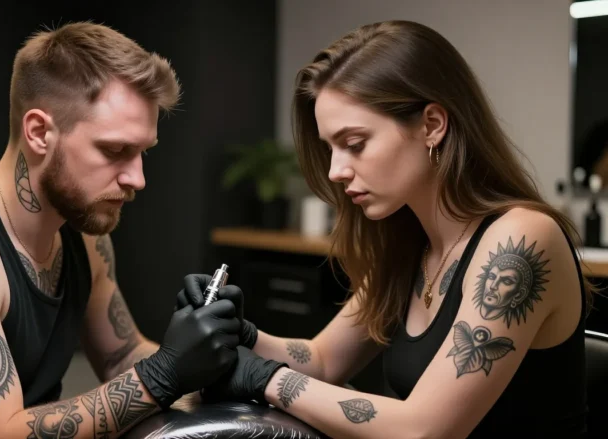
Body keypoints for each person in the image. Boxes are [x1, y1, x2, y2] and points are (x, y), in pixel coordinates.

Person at [179, 20, 593, 438]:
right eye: (330, 148)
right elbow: (324, 359)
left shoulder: (520, 241)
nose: (335, 171)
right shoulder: (411, 244)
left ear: (432, 125)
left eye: (355, 144)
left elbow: (425, 430)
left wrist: (265, 379)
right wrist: (239, 331)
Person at [0, 22, 243, 438]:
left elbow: (121, 355)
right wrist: (163, 373)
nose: (138, 178)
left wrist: (207, 357)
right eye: (116, 150)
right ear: (40, 132)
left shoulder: (86, 237)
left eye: (143, 152)